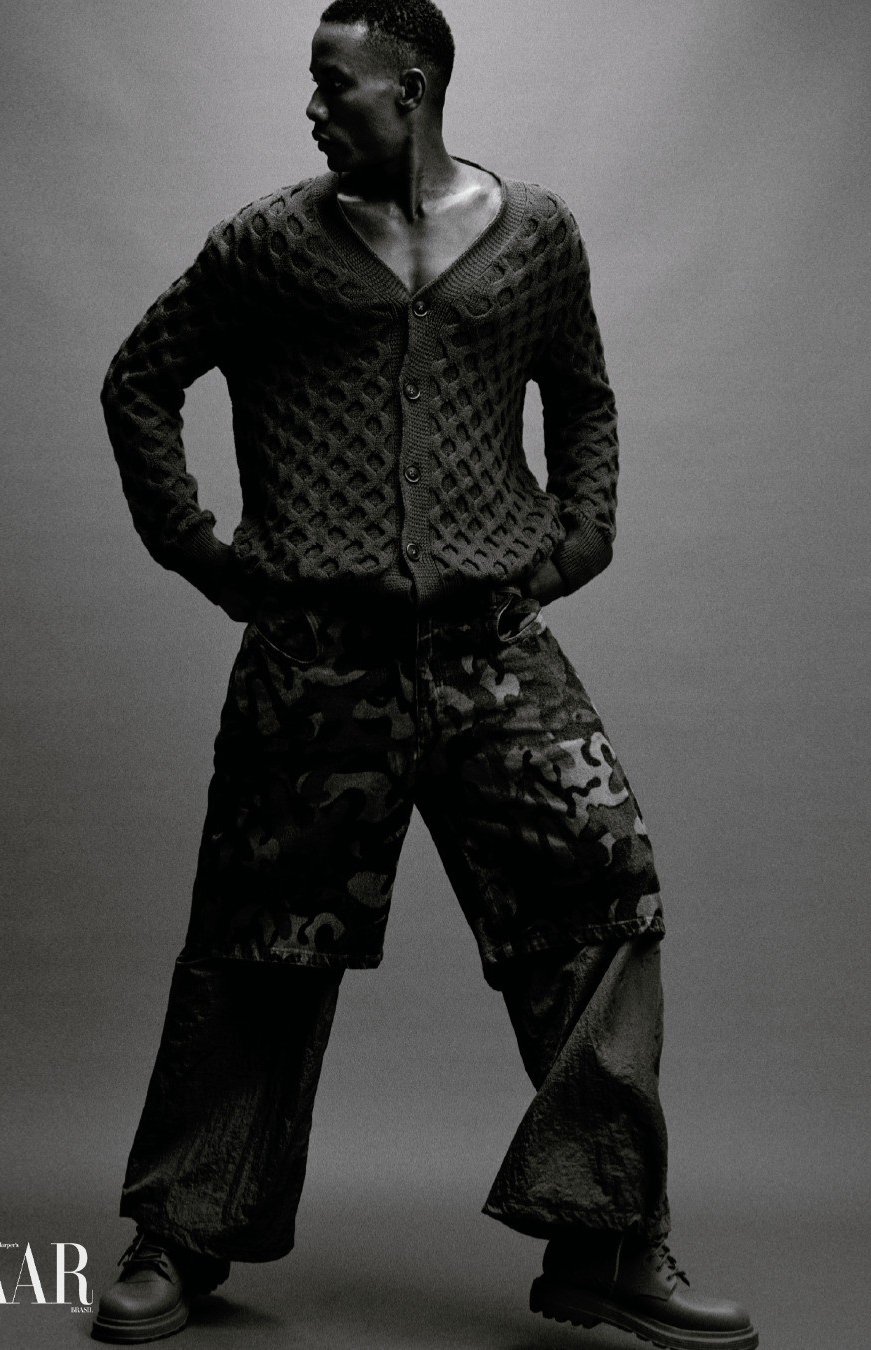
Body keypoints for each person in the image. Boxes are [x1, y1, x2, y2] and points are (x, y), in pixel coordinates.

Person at [92, 2, 757, 1346]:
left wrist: (582, 535)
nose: (312, 108)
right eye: (310, 84)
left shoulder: (537, 237)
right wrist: (206, 554)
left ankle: (607, 1239)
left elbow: (583, 392)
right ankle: (181, 1231)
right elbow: (140, 380)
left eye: (333, 83)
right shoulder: (268, 246)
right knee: (258, 939)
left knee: (605, 886)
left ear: (412, 85)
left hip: (491, 646)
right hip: (315, 663)